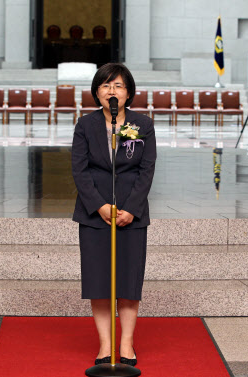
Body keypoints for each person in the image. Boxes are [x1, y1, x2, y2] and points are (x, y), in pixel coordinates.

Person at [71, 62, 157, 366]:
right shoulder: (85, 125)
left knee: (129, 282)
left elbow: (147, 170)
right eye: (106, 86)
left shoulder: (142, 125)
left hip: (132, 214)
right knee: (99, 282)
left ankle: (127, 344)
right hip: (95, 214)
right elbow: (79, 170)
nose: (112, 91)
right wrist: (99, 205)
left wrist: (131, 208)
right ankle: (105, 346)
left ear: (129, 92)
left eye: (118, 86)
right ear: (97, 92)